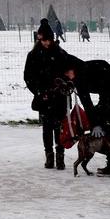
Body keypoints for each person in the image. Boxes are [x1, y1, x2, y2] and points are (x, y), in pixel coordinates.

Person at [59, 57, 110, 177]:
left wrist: (97, 123)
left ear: (73, 68)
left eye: (67, 73)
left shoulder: (89, 73)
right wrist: (96, 122)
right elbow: (95, 101)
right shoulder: (88, 69)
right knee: (102, 124)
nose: (68, 77)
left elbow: (88, 103)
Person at [23, 18, 83, 170]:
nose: (47, 43)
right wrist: (38, 91)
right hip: (43, 97)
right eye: (44, 40)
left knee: (60, 128)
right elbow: (28, 77)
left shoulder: (61, 53)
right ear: (39, 39)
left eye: (49, 40)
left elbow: (69, 72)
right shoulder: (33, 56)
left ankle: (60, 157)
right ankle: (49, 157)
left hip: (60, 97)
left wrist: (67, 84)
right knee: (47, 128)